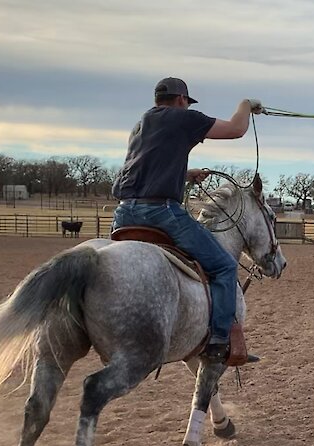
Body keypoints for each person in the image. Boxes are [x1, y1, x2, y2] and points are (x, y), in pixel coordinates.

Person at [111, 77, 261, 366]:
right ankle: (219, 341)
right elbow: (236, 129)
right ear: (182, 100)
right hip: (161, 212)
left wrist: (184, 174)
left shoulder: (142, 125)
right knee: (224, 266)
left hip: (124, 213)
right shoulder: (183, 118)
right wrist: (246, 105)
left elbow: (145, 171)